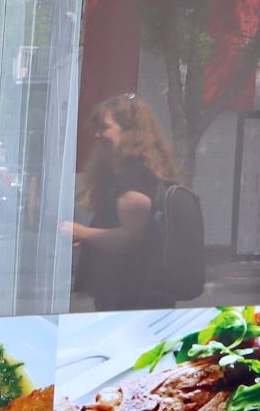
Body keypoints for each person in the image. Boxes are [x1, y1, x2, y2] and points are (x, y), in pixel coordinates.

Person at [65, 93, 180, 311]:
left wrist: (81, 232)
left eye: (104, 127)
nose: (97, 135)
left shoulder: (134, 178)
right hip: (135, 295)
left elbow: (131, 237)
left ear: (130, 133)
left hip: (131, 298)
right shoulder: (141, 173)